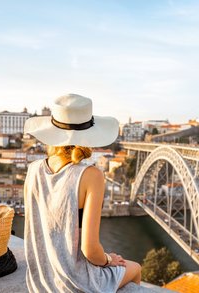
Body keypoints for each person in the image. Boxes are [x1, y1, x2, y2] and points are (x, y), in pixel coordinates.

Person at [23, 94, 141, 292]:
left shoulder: (33, 169)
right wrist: (109, 259)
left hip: (40, 281)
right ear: (88, 135)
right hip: (76, 285)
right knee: (135, 268)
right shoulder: (91, 175)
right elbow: (90, 250)